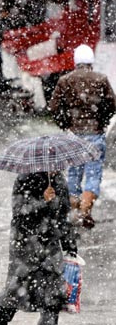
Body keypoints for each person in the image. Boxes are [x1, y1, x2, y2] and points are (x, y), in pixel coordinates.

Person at [0, 171, 77, 325]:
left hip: (51, 243)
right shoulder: (24, 179)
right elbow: (19, 212)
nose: (55, 169)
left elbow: (64, 214)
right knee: (18, 286)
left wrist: (70, 244)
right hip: (26, 243)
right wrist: (43, 201)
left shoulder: (59, 181)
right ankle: (3, 313)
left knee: (54, 290)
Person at [49, 44, 116, 229]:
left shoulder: (65, 80)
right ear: (91, 61)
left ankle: (75, 208)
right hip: (95, 134)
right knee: (94, 174)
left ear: (76, 62)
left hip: (74, 135)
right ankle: (86, 209)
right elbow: (112, 105)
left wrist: (65, 124)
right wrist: (101, 121)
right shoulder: (101, 79)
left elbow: (54, 108)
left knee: (74, 173)